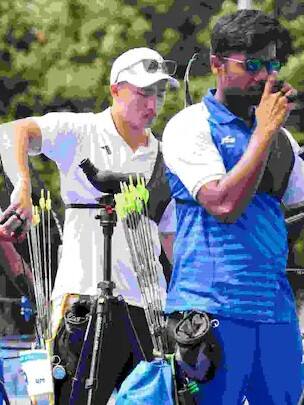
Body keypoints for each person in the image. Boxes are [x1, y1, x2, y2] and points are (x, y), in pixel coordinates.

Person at [161, 10, 304, 404]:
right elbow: (223, 203)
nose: (265, 77)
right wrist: (265, 131)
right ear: (217, 65)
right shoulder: (189, 126)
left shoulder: (280, 138)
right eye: (251, 65)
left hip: (275, 314)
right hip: (209, 311)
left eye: (272, 65)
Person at [5, 46, 178, 404]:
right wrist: (22, 186)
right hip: (82, 300)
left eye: (159, 94)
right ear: (116, 90)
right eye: (143, 93)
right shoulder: (82, 129)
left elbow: (171, 237)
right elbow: (12, 132)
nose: (152, 104)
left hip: (149, 309)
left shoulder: (165, 155)